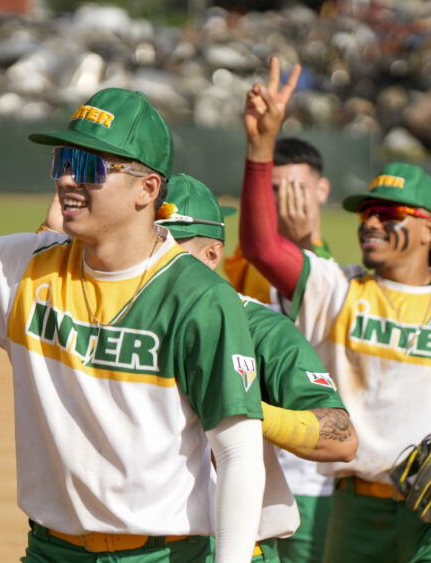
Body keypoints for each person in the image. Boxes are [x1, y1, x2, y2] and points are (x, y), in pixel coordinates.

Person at [0, 90, 266, 563]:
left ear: (148, 189)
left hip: (163, 556)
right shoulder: (25, 266)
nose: (66, 177)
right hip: (49, 552)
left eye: (90, 165)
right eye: (63, 158)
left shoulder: (198, 297)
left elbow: (240, 454)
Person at [239, 57, 431, 563]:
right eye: (367, 212)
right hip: (356, 514)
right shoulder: (337, 289)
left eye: (390, 214)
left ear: (430, 230)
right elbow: (262, 247)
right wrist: (260, 145)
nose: (371, 222)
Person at [152, 173, 358, 562]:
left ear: (213, 255)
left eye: (174, 249)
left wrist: (244, 412)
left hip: (239, 548)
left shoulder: (259, 327)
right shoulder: (126, 315)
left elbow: (342, 437)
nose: (160, 263)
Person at [224, 137, 334, 307]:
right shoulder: (247, 253)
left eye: (296, 188)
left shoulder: (331, 272)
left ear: (322, 190)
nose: (284, 198)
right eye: (273, 189)